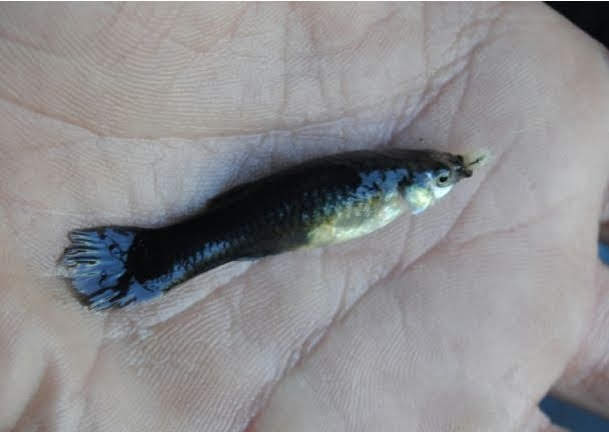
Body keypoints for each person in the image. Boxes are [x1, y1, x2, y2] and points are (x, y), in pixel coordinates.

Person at [2, 3, 609, 431]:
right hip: (280, 217)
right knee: (213, 238)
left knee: (228, 234)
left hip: (284, 218)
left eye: (446, 178)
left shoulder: (396, 183)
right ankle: (148, 262)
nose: (446, 183)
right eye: (442, 179)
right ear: (416, 185)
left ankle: (147, 262)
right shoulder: (397, 189)